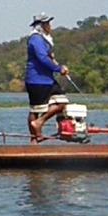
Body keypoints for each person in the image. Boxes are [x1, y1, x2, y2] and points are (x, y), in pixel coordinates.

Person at [25, 13, 69, 143]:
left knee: (62, 102)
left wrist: (56, 63)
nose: (50, 26)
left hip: (47, 80)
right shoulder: (36, 39)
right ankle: (35, 136)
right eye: (47, 24)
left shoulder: (44, 40)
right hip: (37, 80)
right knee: (36, 109)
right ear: (41, 26)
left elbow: (48, 56)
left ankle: (38, 125)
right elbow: (42, 58)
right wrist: (58, 68)